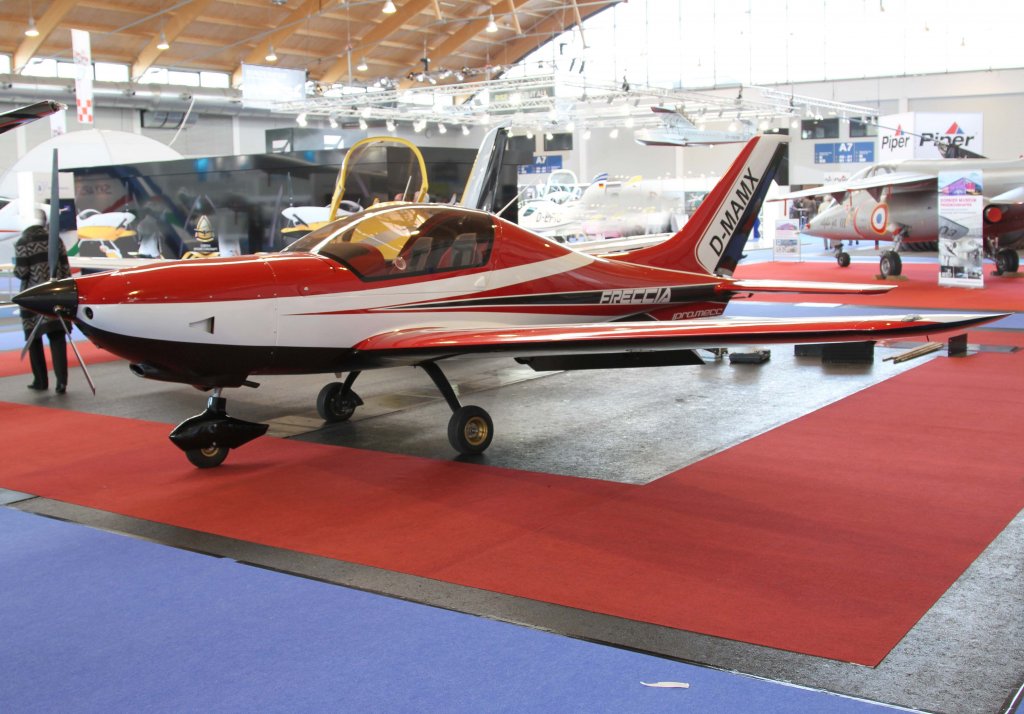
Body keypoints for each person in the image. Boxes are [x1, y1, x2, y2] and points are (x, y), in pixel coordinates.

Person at [14, 209, 71, 394]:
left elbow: (22, 272)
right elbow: (66, 269)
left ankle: (40, 380)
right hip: (56, 296)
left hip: (33, 298)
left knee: (34, 340)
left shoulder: (23, 242)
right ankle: (61, 382)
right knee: (58, 339)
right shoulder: (56, 240)